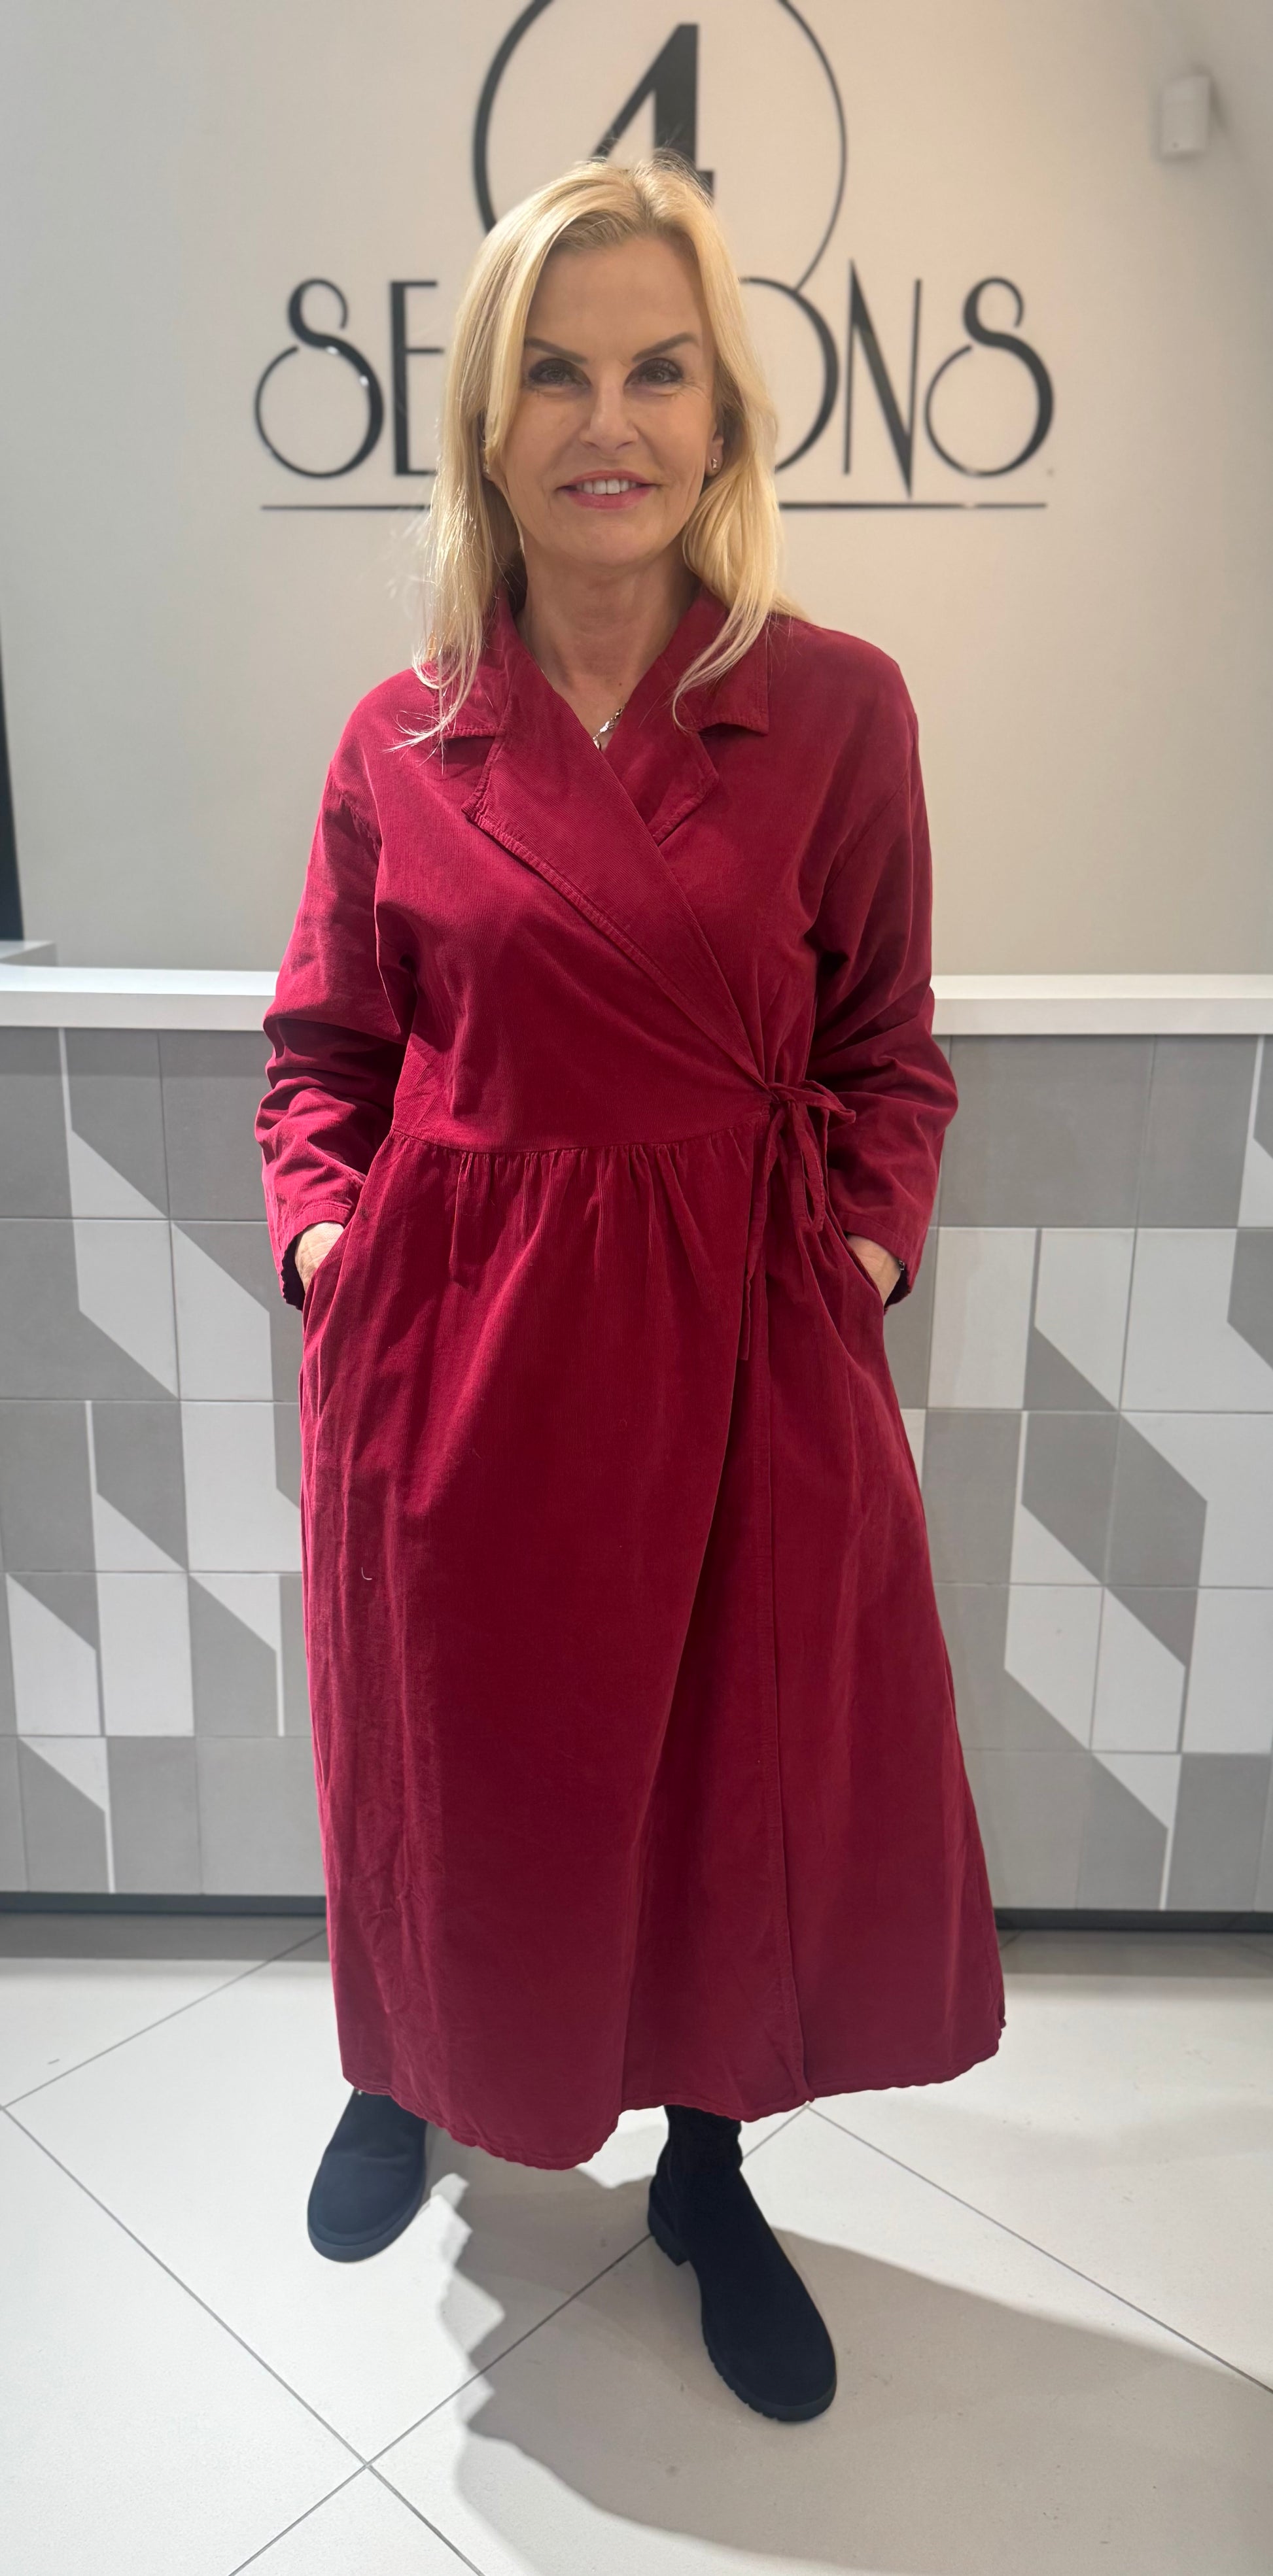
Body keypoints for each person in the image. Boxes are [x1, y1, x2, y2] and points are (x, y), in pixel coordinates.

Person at [255, 151, 1005, 2426]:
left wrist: (853, 1251)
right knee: (449, 1761)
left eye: (659, 370)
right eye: (556, 374)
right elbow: (321, 1057)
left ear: (724, 415)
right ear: (486, 425)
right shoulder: (399, 736)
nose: (611, 421)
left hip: (737, 1353)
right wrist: (335, 1251)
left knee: (717, 1784)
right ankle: (405, 2067)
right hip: (457, 1365)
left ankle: (703, 2160)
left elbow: (888, 1050)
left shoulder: (837, 711)